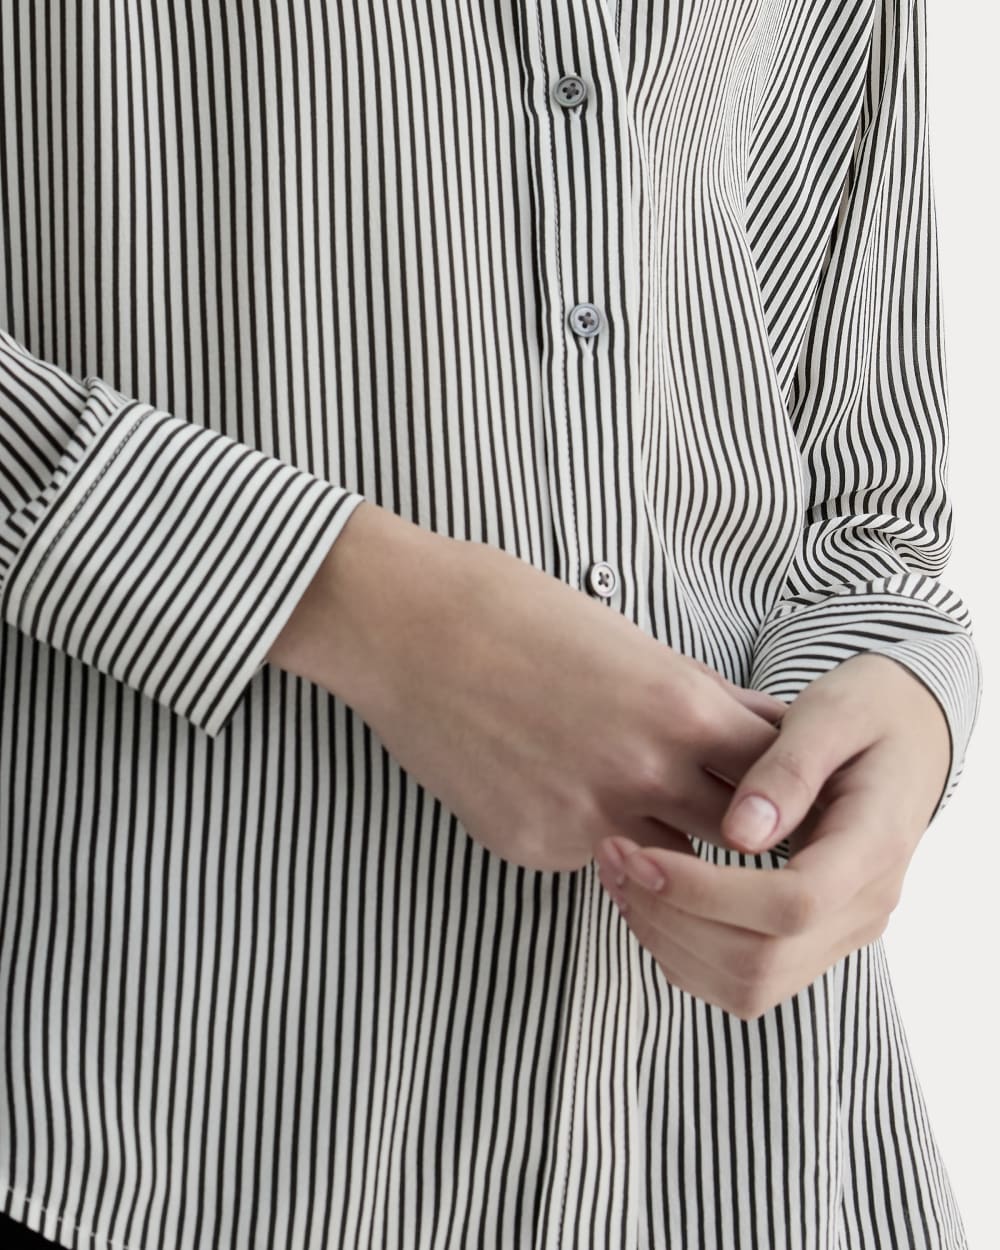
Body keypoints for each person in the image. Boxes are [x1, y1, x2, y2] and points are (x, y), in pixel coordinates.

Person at [0, 1, 982, 1247]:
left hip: (729, 1129)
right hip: (140, 1106)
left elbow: (855, 474)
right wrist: (357, 603)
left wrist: (896, 698)